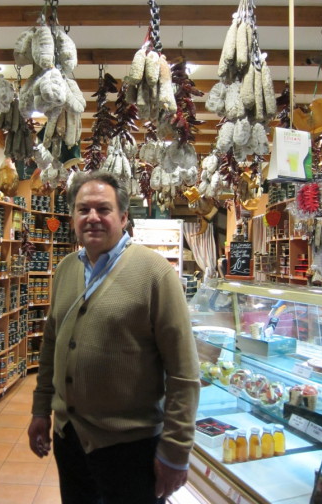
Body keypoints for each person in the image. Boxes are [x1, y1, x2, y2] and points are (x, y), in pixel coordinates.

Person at [28, 170, 200, 504]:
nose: (92, 217)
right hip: (70, 439)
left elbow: (184, 372)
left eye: (103, 209)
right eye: (83, 209)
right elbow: (51, 344)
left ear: (123, 217)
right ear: (73, 217)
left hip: (129, 448)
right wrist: (40, 410)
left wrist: (176, 450)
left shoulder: (156, 274)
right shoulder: (65, 269)